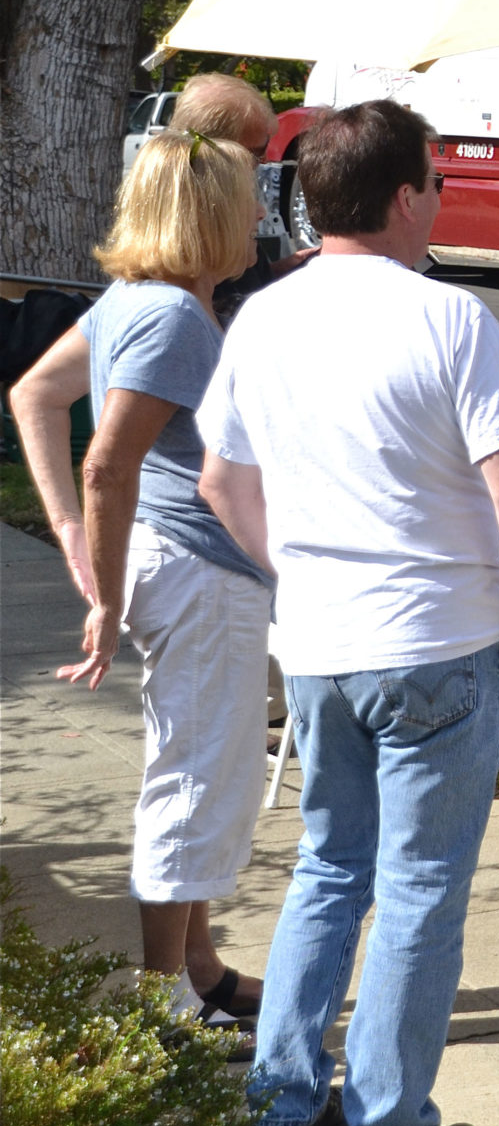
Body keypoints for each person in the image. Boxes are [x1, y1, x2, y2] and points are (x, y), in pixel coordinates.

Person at [196, 98, 499, 1126]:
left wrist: (299, 568)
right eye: (440, 183)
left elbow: (223, 480)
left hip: (319, 643)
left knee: (330, 867)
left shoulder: (262, 315)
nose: (442, 200)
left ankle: (282, 1106)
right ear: (405, 197)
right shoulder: (448, 317)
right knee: (415, 894)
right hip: (439, 642)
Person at [10, 129, 275, 1041]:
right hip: (200, 575)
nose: (260, 220)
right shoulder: (170, 318)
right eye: (248, 203)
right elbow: (104, 462)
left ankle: (197, 970)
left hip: (188, 562)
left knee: (206, 777)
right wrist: (101, 585)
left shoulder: (135, 300)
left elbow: (32, 397)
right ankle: (164, 1007)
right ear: (211, 217)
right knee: (197, 785)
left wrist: (78, 544)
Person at [168, 72, 318, 319]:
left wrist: (282, 270)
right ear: (217, 149)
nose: (260, 164)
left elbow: (237, 281)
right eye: (255, 154)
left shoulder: (218, 198)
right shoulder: (190, 213)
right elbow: (218, 303)